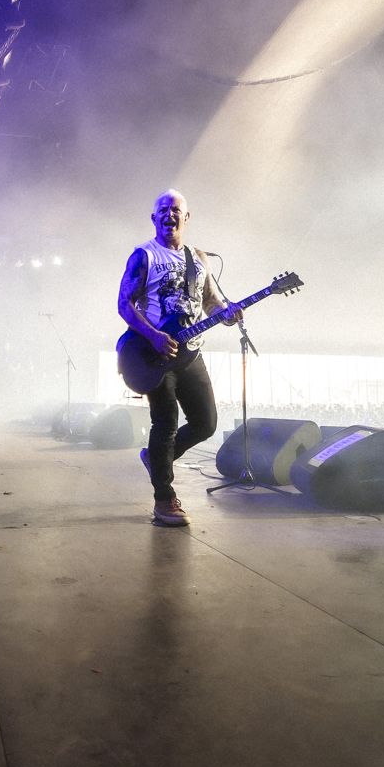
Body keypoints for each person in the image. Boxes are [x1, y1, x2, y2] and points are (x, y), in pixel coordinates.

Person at [117, 189, 236, 526]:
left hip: (192, 351)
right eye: (163, 209)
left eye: (176, 209)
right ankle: (164, 498)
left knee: (206, 423)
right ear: (154, 218)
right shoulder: (144, 256)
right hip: (155, 352)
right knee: (166, 422)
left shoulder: (198, 257)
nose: (170, 214)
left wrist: (228, 313)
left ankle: (156, 461)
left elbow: (212, 302)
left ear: (187, 217)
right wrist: (153, 336)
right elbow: (125, 303)